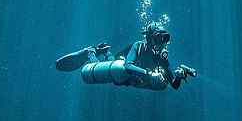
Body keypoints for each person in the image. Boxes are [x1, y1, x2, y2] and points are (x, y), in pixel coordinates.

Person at [55, 22, 196, 90]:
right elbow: (128, 67)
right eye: (159, 38)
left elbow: (174, 85)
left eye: (164, 39)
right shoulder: (138, 46)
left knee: (119, 75)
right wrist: (149, 73)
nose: (162, 43)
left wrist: (178, 76)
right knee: (117, 68)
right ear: (150, 38)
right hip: (120, 68)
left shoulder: (161, 57)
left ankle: (105, 52)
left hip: (127, 80)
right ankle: (90, 53)